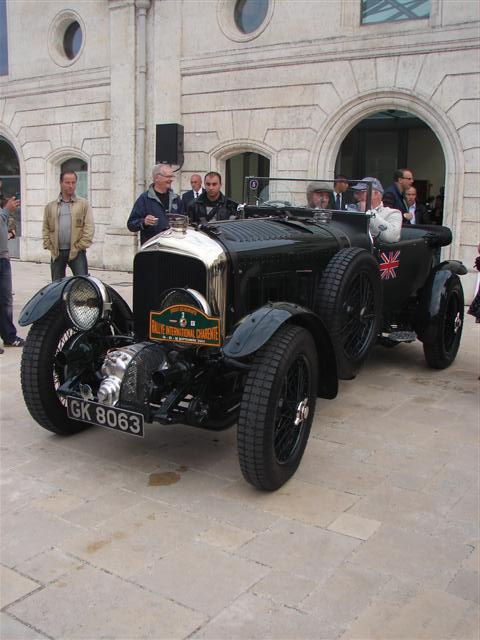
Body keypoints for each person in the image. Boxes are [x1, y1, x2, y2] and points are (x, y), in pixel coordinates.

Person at [43, 171, 94, 281]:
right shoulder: (51, 206)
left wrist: (80, 246)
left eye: (73, 182)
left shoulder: (83, 204)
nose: (71, 186)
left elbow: (89, 227)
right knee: (56, 286)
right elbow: (46, 227)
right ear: (61, 183)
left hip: (77, 251)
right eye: (67, 182)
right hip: (57, 252)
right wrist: (49, 244)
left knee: (82, 282)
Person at [127, 163, 183, 245]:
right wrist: (144, 222)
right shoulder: (144, 199)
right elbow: (131, 224)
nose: (171, 179)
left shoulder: (176, 199)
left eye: (172, 176)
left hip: (172, 248)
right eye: (168, 177)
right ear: (157, 177)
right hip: (152, 250)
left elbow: (184, 220)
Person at [0, 195, 25, 351]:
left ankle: (9, 336)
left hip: (3, 258)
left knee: (6, 301)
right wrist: (5, 211)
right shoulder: (3, 210)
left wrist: (9, 233)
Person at [351, 177, 402, 243]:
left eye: (362, 192)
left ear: (376, 194)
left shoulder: (393, 213)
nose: (358, 196)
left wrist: (370, 211)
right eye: (357, 193)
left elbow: (391, 237)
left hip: (374, 251)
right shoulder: (353, 209)